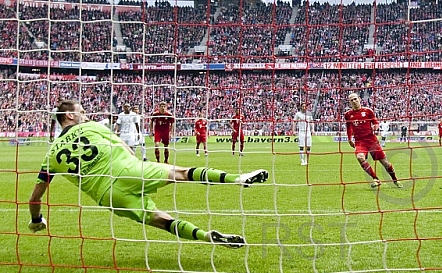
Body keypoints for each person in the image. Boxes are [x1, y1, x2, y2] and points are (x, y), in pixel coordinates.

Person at [27, 100, 269, 248]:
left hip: (107, 196)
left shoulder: (51, 155)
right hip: (126, 170)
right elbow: (125, 147)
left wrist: (37, 221)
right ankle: (238, 179)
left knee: (161, 220)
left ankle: (206, 236)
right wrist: (136, 166)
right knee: (181, 173)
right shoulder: (91, 127)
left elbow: (35, 198)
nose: (86, 115)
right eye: (81, 111)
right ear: (70, 116)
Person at [344, 92, 402, 189]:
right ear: (350, 102)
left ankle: (395, 180)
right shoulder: (348, 115)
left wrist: (376, 126)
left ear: (359, 99)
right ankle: (376, 179)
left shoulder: (368, 111)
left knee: (385, 162)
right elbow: (348, 127)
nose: (354, 101)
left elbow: (375, 122)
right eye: (351, 100)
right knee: (360, 157)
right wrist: (349, 139)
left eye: (355, 99)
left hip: (372, 140)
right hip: (359, 142)